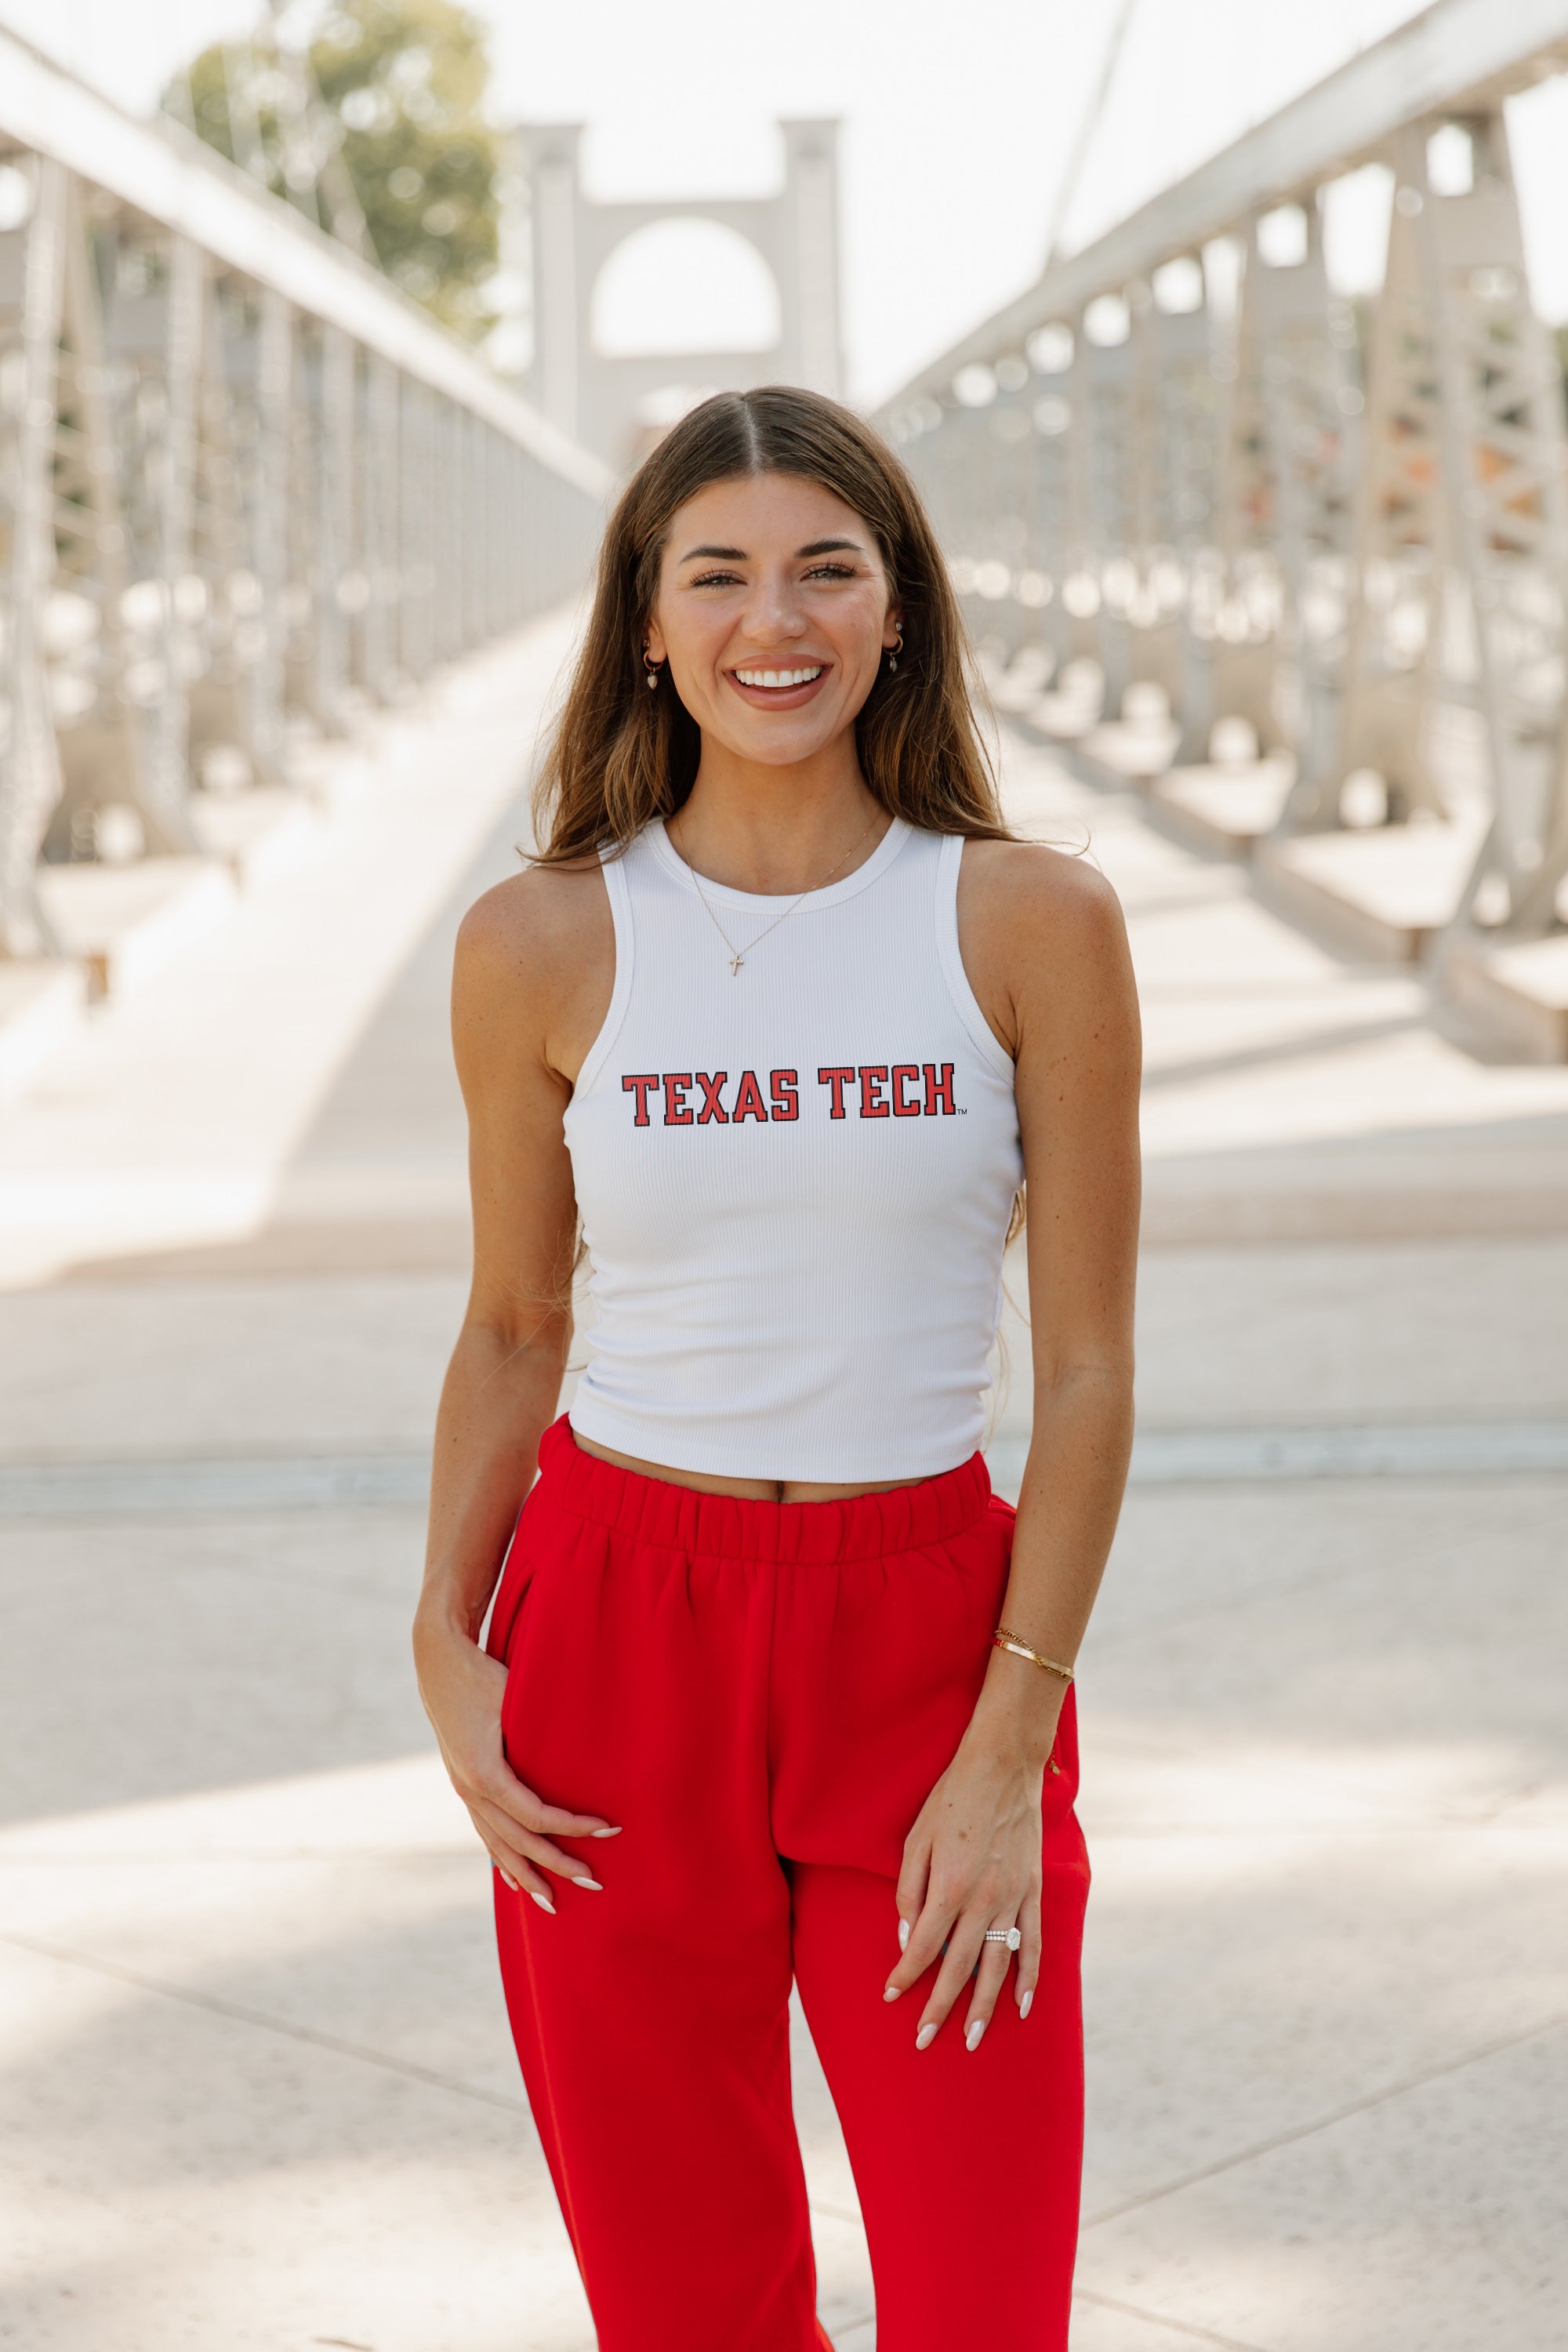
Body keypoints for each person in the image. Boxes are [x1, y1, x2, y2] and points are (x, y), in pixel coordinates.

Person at [412, 385, 1140, 2352]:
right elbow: (510, 1325)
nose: (774, 620)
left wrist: (1010, 1755)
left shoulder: (1028, 921)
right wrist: (442, 1641)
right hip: (614, 1637)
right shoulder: (542, 942)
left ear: (897, 607)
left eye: (827, 567)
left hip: (924, 1638)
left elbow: (1081, 1372)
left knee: (982, 2301)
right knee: (687, 2309)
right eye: (715, 573)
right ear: (645, 623)